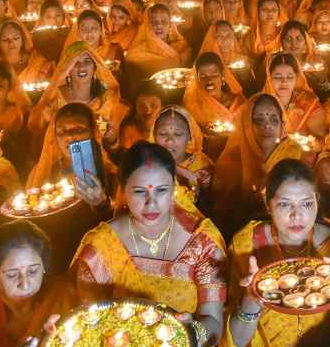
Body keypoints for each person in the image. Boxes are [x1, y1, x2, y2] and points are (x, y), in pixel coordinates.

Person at [71, 142, 226, 347]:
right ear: (123, 190)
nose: (151, 203)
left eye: (161, 190)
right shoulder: (100, 248)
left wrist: (191, 330)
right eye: (139, 191)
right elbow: (86, 325)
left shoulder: (202, 243)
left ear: (174, 188)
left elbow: (214, 322)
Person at [223, 159, 330, 347]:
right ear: (267, 204)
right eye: (285, 205)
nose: (297, 215)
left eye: (306, 204)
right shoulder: (246, 245)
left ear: (317, 201)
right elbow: (237, 340)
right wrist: (252, 299)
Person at [0, 221, 77, 347]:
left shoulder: (66, 295)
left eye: (33, 271)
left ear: (43, 267)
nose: (25, 284)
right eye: (12, 275)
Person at [211, 94, 314, 237]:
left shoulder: (295, 154)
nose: (267, 125)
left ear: (282, 126)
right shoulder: (232, 160)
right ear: (246, 124)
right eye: (259, 120)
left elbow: (309, 202)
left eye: (274, 120)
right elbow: (223, 214)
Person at [151, 105, 213, 211]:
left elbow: (213, 206)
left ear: (190, 136)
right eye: (162, 133)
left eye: (178, 134)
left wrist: (199, 185)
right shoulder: (145, 164)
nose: (169, 141)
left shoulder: (201, 164)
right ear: (153, 135)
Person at [262, 52, 328, 138]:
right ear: (269, 78)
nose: (284, 82)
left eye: (289, 77)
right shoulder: (259, 104)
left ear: (297, 78)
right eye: (277, 77)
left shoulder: (309, 103)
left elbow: (320, 140)